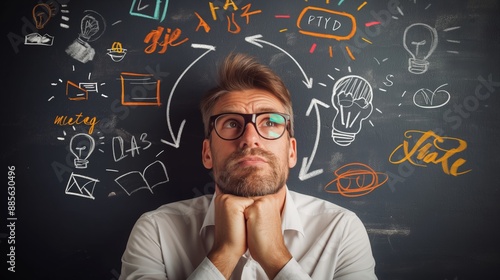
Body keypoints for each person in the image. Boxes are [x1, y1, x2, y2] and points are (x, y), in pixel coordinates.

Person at [119, 53, 377, 280]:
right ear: (207, 153)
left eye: (271, 122)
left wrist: (276, 258)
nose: (250, 138)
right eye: (231, 123)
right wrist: (224, 253)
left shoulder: (340, 229)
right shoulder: (157, 230)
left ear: (291, 151)